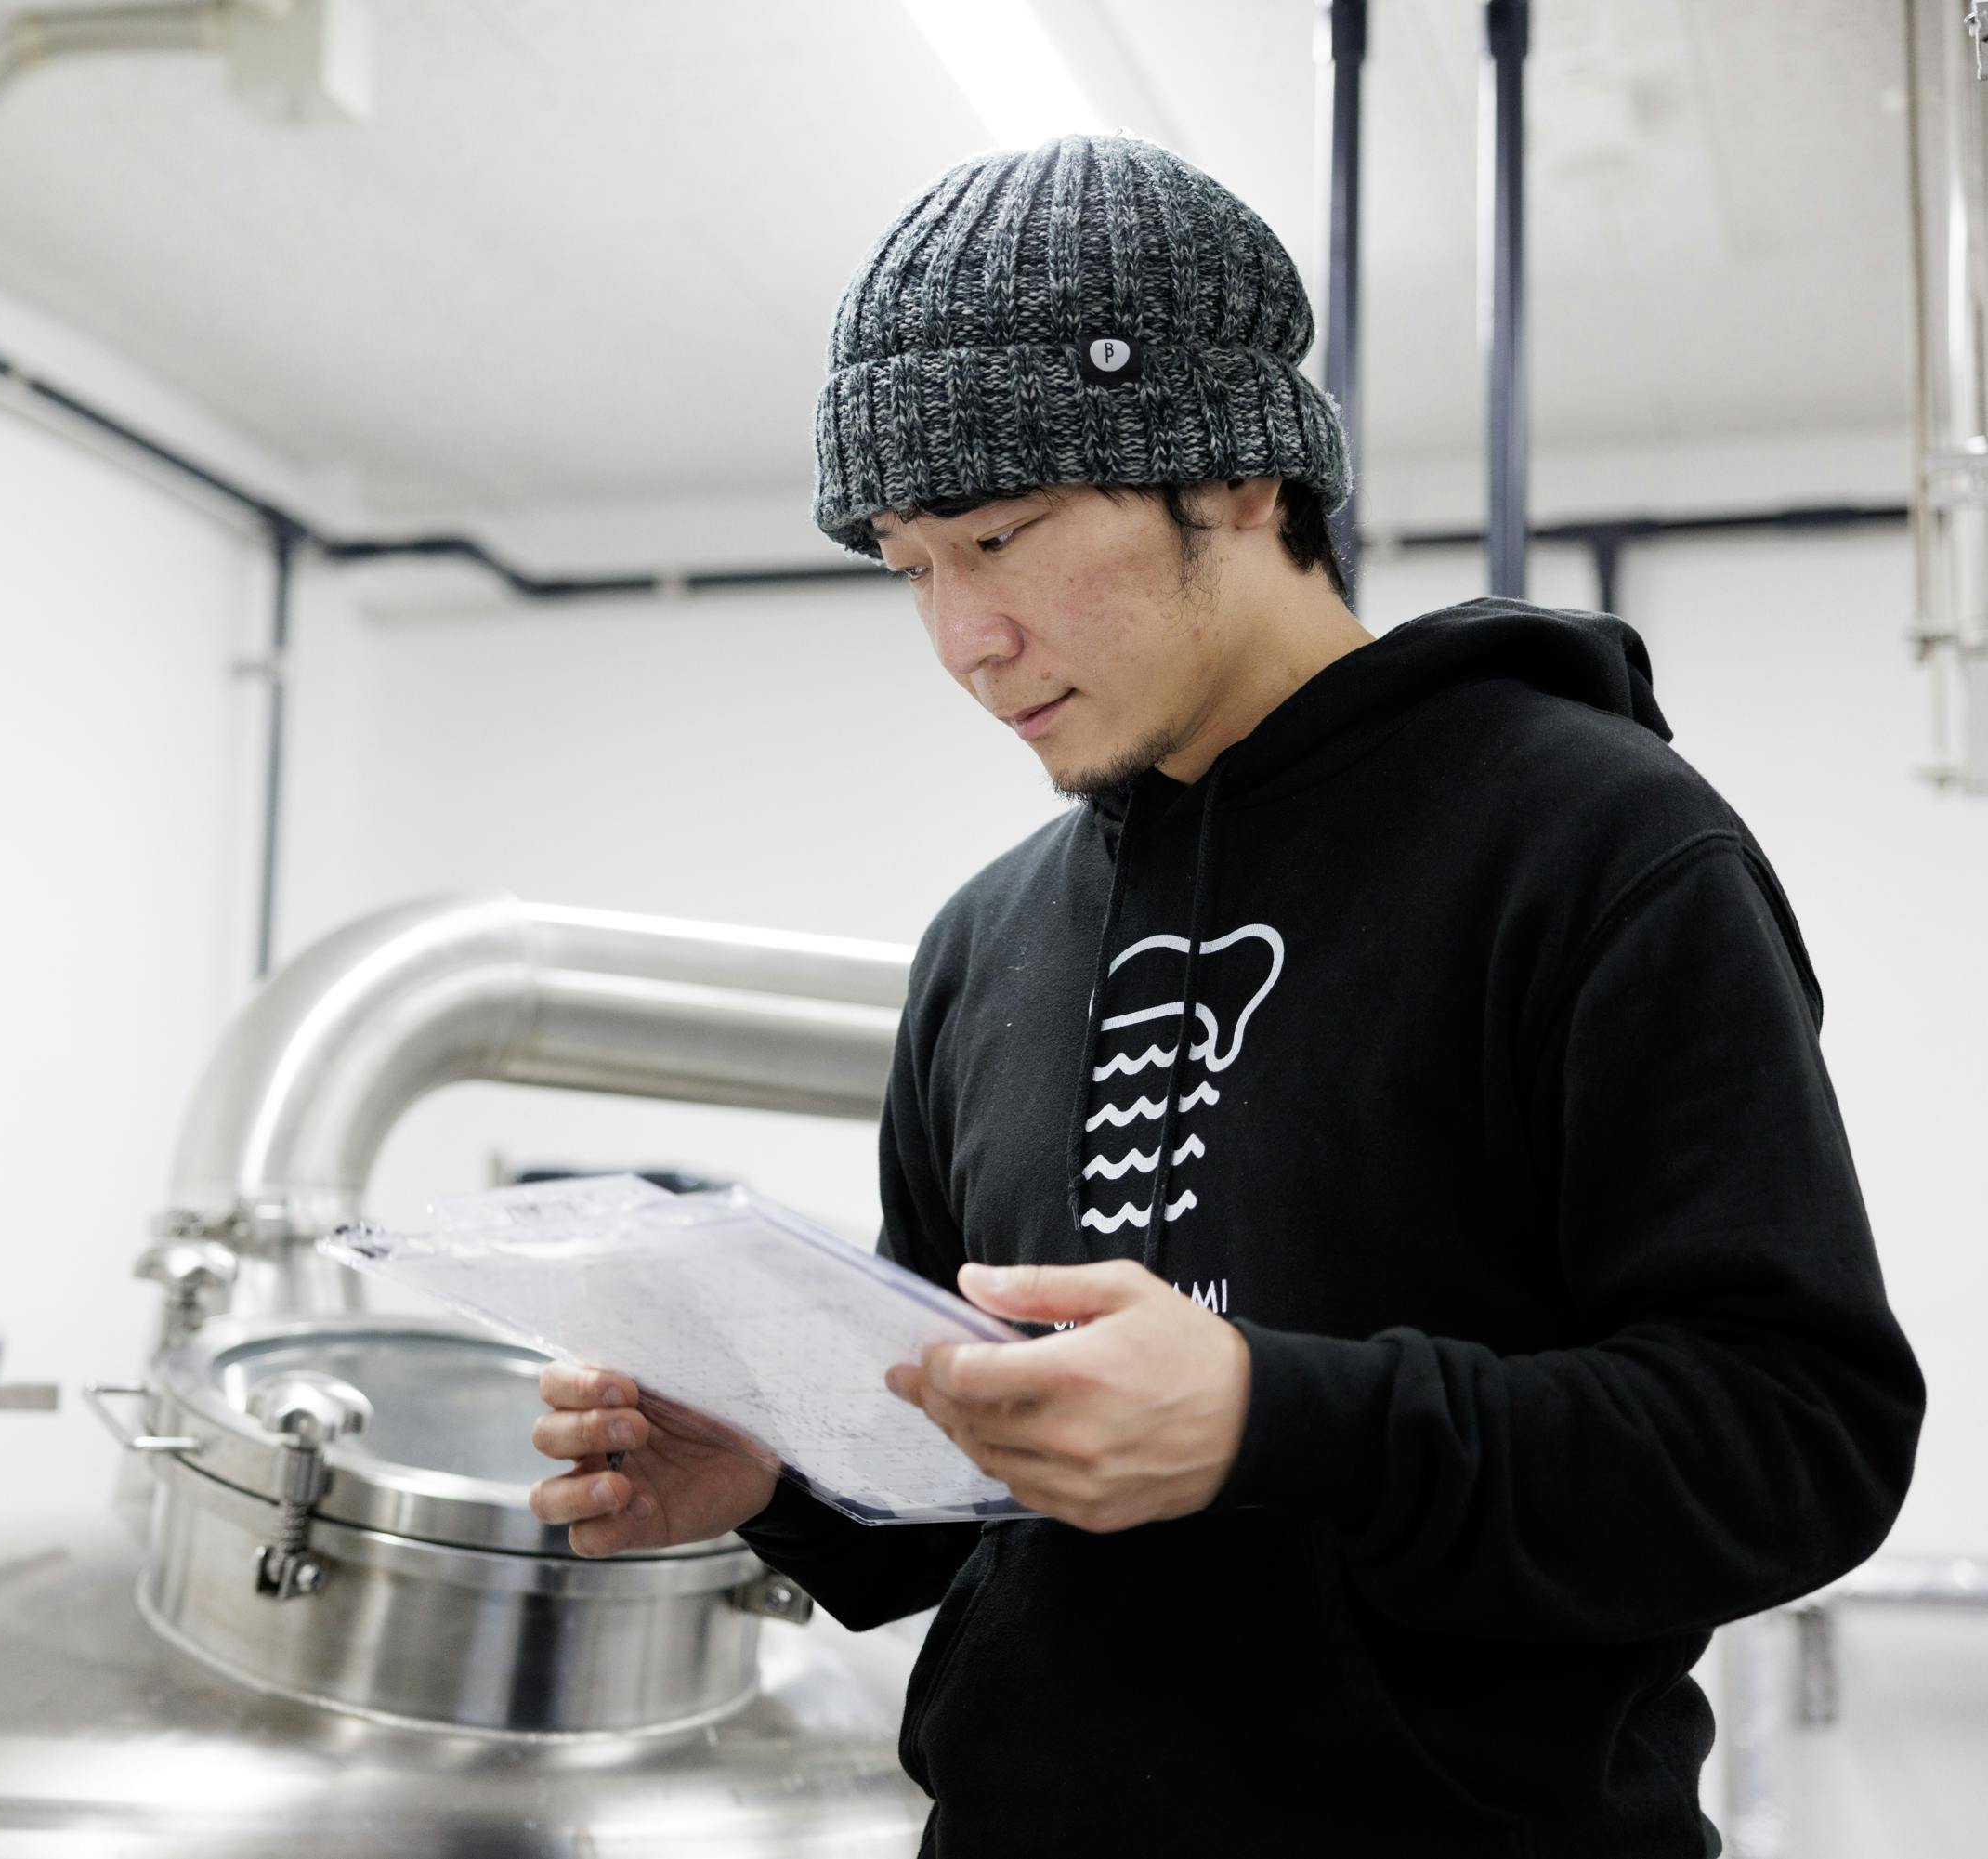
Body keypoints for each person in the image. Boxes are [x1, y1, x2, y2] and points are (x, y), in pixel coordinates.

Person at [527, 134, 1924, 1855]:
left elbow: (1799, 1437)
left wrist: (1280, 1419)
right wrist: (778, 1471)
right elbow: (979, 1465)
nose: (963, 639)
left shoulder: (1593, 844)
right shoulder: (986, 940)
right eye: (911, 565)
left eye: (1001, 535)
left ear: (1244, 475)